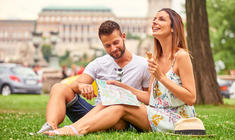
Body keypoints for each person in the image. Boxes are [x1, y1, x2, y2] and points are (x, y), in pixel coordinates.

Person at [44, 8, 197, 136]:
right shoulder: (156, 58)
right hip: (156, 113)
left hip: (178, 120)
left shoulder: (181, 56)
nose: (154, 22)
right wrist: (122, 88)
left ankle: (74, 130)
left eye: (161, 19)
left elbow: (191, 98)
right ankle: (64, 128)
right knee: (113, 99)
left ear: (173, 27)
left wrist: (161, 77)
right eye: (154, 19)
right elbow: (151, 98)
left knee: (118, 104)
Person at [37, 20, 151, 133]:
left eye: (116, 42)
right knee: (59, 88)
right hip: (94, 113)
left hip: (123, 118)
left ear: (123, 37)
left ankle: (81, 128)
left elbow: (149, 100)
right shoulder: (99, 63)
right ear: (102, 45)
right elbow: (73, 86)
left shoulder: (143, 64)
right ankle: (51, 127)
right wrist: (81, 86)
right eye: (107, 46)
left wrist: (127, 94)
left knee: (117, 116)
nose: (113, 49)